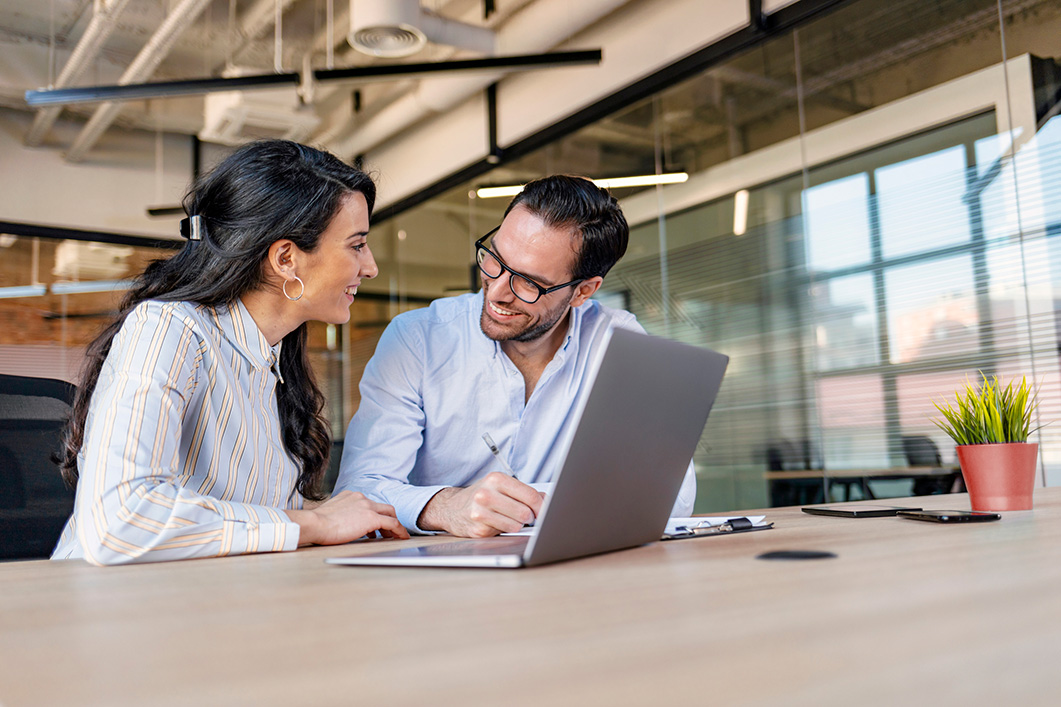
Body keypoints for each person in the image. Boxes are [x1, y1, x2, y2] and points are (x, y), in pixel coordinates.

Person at [52, 139, 408, 565]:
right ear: (286, 259)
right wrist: (316, 524)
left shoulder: (274, 358)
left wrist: (330, 514)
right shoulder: (171, 330)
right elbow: (120, 520)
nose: (370, 267)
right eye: (356, 245)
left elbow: (247, 513)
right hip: (106, 611)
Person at [335, 175, 696, 537]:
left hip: (564, 571)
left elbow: (671, 494)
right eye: (495, 259)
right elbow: (359, 490)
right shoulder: (417, 339)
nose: (497, 292)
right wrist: (444, 506)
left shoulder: (617, 344)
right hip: (438, 576)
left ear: (582, 291)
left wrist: (520, 503)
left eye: (530, 283)